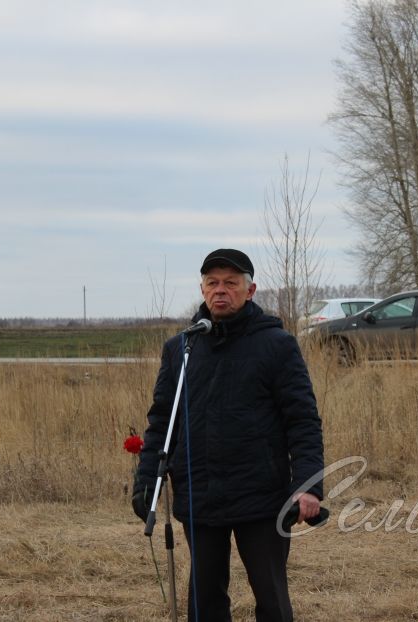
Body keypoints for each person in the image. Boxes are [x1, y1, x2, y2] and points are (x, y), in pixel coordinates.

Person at [133, 248, 325, 622]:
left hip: (262, 495)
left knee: (271, 597)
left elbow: (302, 420)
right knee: (205, 600)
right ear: (203, 289)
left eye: (231, 283)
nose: (220, 291)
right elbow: (162, 423)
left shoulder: (276, 345)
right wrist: (147, 482)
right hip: (199, 495)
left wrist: (309, 485)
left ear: (250, 290)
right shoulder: (181, 349)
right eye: (212, 283)